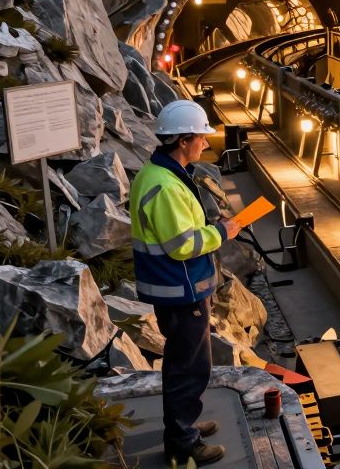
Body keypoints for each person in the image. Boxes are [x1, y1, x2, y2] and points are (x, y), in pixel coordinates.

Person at [129, 99, 239, 466]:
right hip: (180, 289)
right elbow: (183, 245)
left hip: (179, 287)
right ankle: (181, 441)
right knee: (188, 367)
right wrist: (221, 232)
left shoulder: (163, 173)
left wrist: (212, 224)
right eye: (200, 138)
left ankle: (185, 425)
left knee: (188, 363)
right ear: (182, 140)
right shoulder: (163, 184)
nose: (205, 144)